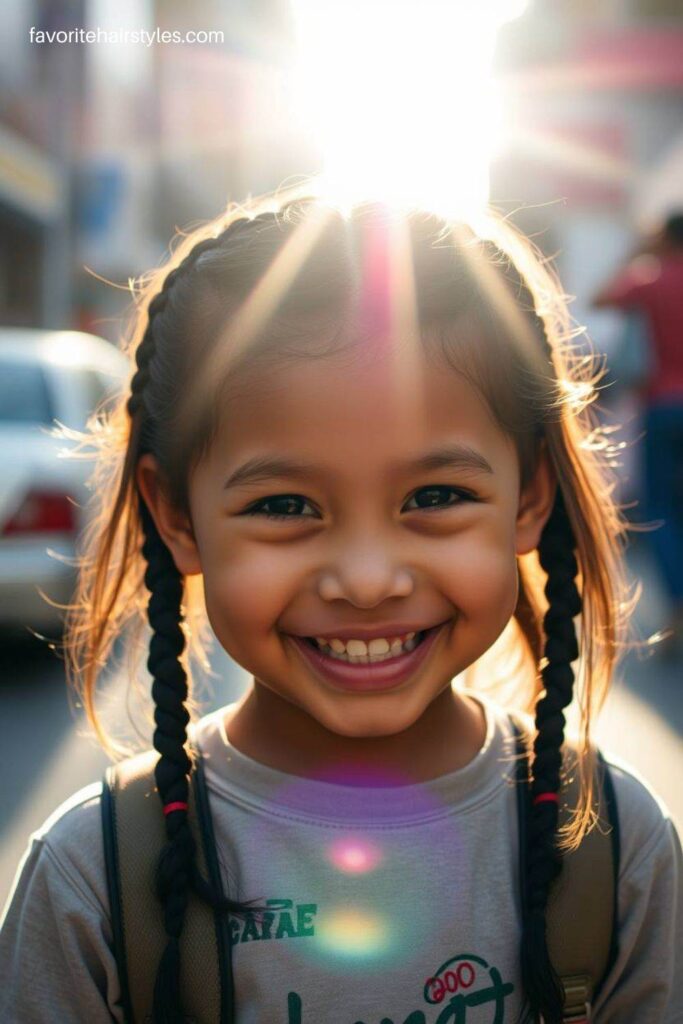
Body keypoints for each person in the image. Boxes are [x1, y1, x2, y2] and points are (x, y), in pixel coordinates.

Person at [1, 189, 681, 1024]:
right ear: (175, 516)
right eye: (284, 506)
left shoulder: (609, 849)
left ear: (529, 496)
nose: (365, 580)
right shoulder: (94, 882)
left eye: (434, 494)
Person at [593, 212, 683, 654]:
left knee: (662, 507)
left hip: (664, 406)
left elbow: (600, 297)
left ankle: (678, 607)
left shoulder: (650, 280)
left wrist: (637, 253)